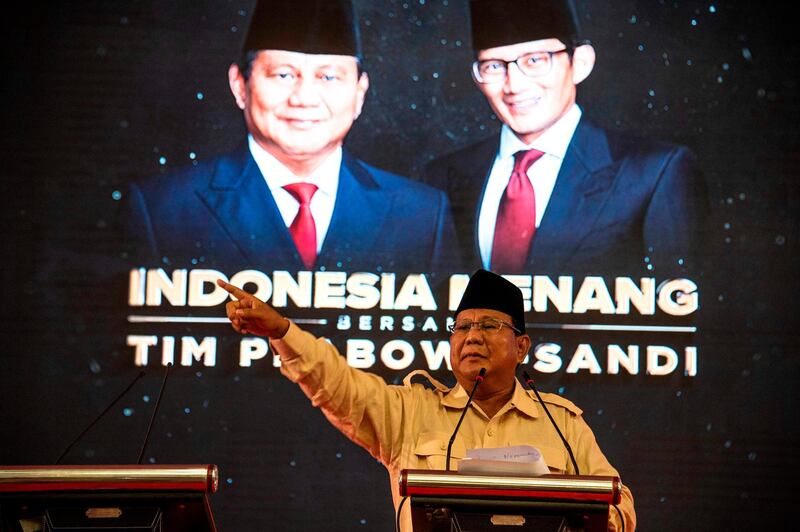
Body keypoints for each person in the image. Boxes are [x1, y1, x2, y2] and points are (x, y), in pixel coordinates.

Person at [217, 269, 636, 531]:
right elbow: (338, 386)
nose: (471, 336)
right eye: (461, 327)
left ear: (521, 346)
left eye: (489, 325)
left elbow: (621, 505)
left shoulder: (561, 423)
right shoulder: (411, 412)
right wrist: (281, 332)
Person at [124, 0, 455, 273]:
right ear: (240, 85)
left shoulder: (421, 215)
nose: (304, 98)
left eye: (328, 77)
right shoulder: (163, 209)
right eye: (283, 75)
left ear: (359, 93)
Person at [425, 0, 706, 275]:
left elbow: (679, 308)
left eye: (534, 61)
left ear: (580, 63)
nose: (514, 85)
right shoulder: (443, 177)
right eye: (494, 66)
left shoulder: (653, 172)